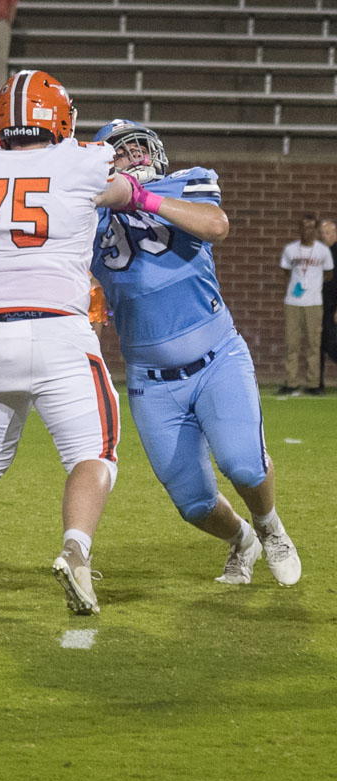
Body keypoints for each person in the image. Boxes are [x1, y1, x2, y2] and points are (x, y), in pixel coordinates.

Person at [0, 70, 136, 615]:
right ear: (62, 119)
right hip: (55, 328)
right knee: (93, 453)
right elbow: (120, 189)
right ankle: (76, 550)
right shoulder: (87, 157)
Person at [91, 119, 302, 588]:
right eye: (122, 154)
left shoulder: (187, 182)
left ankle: (270, 526)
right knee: (193, 503)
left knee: (244, 463)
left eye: (139, 148)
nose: (135, 159)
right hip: (150, 378)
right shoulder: (90, 215)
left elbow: (216, 225)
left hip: (216, 357)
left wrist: (140, 197)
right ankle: (243, 539)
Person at [278, 213, 333, 395]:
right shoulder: (290, 249)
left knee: (313, 344)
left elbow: (328, 274)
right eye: (304, 227)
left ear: (316, 230)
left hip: (315, 303)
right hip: (293, 302)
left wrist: (313, 287)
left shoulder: (323, 251)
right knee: (291, 343)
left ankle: (313, 384)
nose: (307, 231)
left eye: (311, 227)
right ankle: (290, 382)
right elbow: (286, 272)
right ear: (299, 229)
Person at [321, 219, 337, 386]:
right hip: (322, 303)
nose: (324, 236)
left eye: (327, 233)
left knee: (332, 343)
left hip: (333, 305)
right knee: (322, 342)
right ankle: (317, 384)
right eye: (322, 233)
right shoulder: (322, 251)